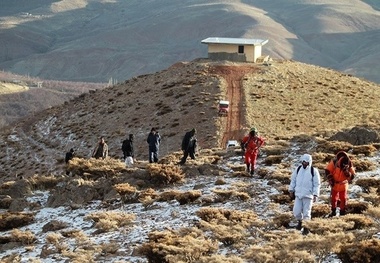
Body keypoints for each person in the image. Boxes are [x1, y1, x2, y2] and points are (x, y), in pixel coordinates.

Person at [289, 154, 321, 235]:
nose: (304, 163)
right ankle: (300, 222)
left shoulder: (313, 171)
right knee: (296, 211)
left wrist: (315, 194)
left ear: (309, 162)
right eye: (303, 161)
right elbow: (293, 180)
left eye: (306, 162)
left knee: (307, 213)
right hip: (298, 195)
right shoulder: (298, 169)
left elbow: (317, 184)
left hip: (308, 195)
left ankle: (306, 228)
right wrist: (291, 190)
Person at [325, 151, 355, 217]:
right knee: (333, 199)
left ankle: (342, 213)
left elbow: (353, 176)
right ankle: (333, 211)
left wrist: (347, 173)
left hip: (343, 184)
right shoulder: (334, 162)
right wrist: (331, 179)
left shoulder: (349, 163)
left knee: (343, 199)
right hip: (334, 183)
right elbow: (327, 170)